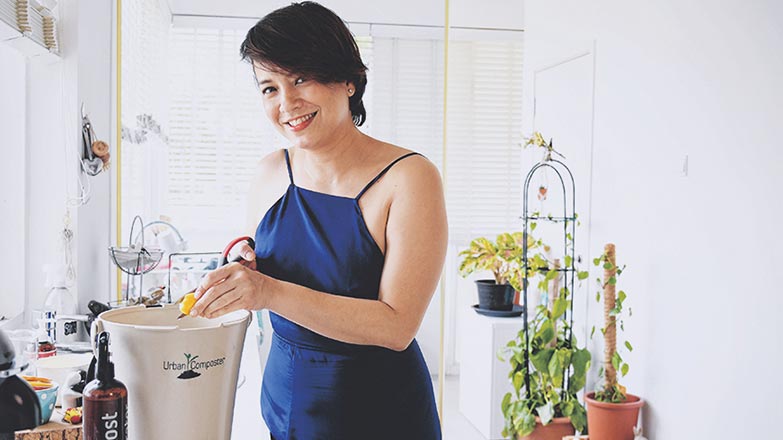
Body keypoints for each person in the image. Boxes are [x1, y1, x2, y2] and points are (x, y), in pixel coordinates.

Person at [189, 2, 447, 439]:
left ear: (347, 80)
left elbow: (397, 325)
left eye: (300, 78)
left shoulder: (409, 178)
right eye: (269, 88)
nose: (287, 103)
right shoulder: (269, 172)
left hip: (380, 415)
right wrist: (246, 263)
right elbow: (269, 263)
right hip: (287, 404)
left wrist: (267, 290)